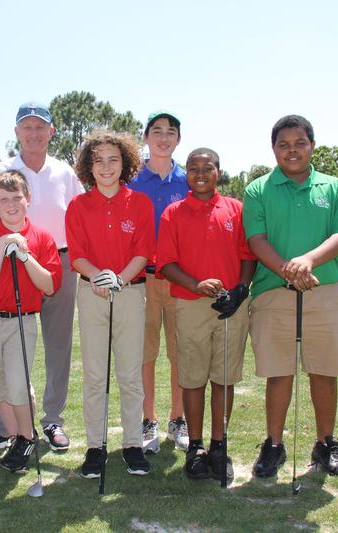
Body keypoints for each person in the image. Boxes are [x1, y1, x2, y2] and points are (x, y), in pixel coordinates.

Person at [243, 115, 338, 478]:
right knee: (278, 373)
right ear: (273, 148)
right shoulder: (258, 190)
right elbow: (256, 240)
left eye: (299, 143)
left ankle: (325, 444)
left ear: (312, 146)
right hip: (273, 293)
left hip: (323, 291)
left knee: (324, 371)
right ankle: (274, 445)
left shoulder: (334, 187)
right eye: (284, 145)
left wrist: (306, 262)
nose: (292, 151)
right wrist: (289, 270)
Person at [0, 102, 84, 455]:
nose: (34, 133)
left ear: (51, 132)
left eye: (40, 127)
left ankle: (52, 419)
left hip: (57, 260)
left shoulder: (65, 172)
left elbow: (80, 219)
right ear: (17, 132)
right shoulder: (0, 171)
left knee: (58, 346)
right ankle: (1, 427)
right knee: (4, 350)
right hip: (6, 261)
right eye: (27, 127)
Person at [157, 147, 256, 481]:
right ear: (186, 173)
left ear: (219, 172)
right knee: (193, 377)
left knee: (224, 377)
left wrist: (241, 290)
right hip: (190, 304)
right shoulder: (173, 213)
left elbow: (248, 254)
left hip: (231, 305)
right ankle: (195, 448)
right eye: (193, 168)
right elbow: (166, 263)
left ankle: (219, 446)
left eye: (208, 167)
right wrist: (196, 284)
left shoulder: (236, 209)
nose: (200, 174)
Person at [65, 130, 155, 478]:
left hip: (129, 292)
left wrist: (119, 278)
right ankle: (95, 446)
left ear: (125, 162)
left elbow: (143, 252)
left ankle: (132, 444)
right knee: (94, 375)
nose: (105, 166)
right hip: (92, 293)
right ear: (89, 166)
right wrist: (99, 277)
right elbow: (77, 255)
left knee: (130, 374)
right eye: (98, 160)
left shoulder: (140, 203)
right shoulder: (78, 206)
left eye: (113, 159)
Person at [0, 170, 62, 473]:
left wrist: (24, 255)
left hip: (21, 321)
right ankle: (14, 437)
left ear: (28, 199)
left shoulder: (42, 237)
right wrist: (2, 244)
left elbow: (49, 285)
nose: (11, 205)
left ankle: (26, 436)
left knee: (18, 384)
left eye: (16, 198)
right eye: (3, 200)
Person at [128, 110, 190, 453]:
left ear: (178, 139)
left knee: (180, 353)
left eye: (170, 132)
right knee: (145, 353)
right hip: (144, 280)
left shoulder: (189, 179)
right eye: (157, 131)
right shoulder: (132, 179)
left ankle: (178, 419)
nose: (164, 138)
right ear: (146, 137)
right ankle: (147, 419)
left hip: (181, 280)